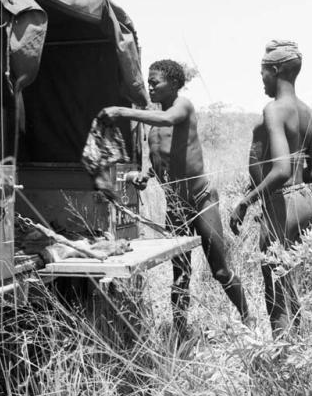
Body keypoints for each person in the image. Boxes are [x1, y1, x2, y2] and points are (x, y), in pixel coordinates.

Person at [99, 59, 251, 338]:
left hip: (202, 201)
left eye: (156, 81)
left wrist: (122, 111)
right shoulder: (152, 127)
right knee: (180, 275)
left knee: (220, 271)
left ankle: (249, 322)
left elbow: (168, 119)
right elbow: (162, 161)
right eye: (148, 80)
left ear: (176, 84)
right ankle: (181, 336)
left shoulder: (182, 107)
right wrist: (146, 175)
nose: (150, 85)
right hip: (176, 208)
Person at [229, 40, 312, 339]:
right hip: (307, 204)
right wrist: (295, 186)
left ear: (275, 70)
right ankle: (304, 348)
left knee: (276, 296)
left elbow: (281, 169)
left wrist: (245, 202)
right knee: (291, 284)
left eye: (263, 74)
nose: (262, 80)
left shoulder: (274, 110)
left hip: (281, 206)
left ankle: (284, 367)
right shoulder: (308, 113)